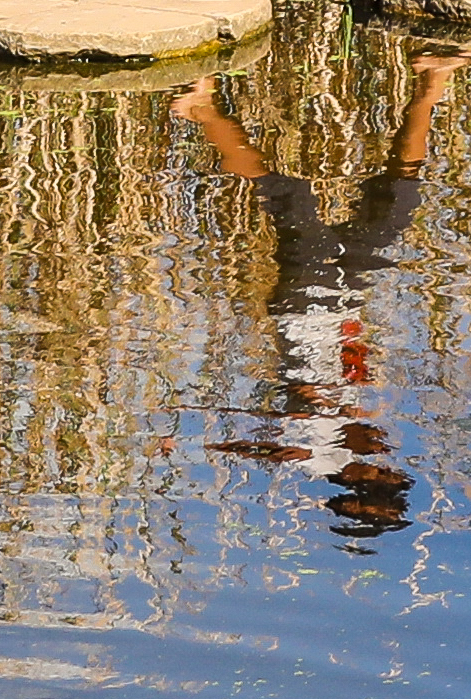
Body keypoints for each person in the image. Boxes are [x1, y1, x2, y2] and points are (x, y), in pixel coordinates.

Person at [177, 51, 453, 540]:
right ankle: (432, 82)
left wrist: (217, 445)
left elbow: (291, 412)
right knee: (401, 199)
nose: (390, 470)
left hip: (306, 302)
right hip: (346, 300)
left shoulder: (314, 453)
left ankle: (202, 109)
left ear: (355, 486)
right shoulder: (368, 446)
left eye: (383, 484)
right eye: (394, 481)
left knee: (290, 195)